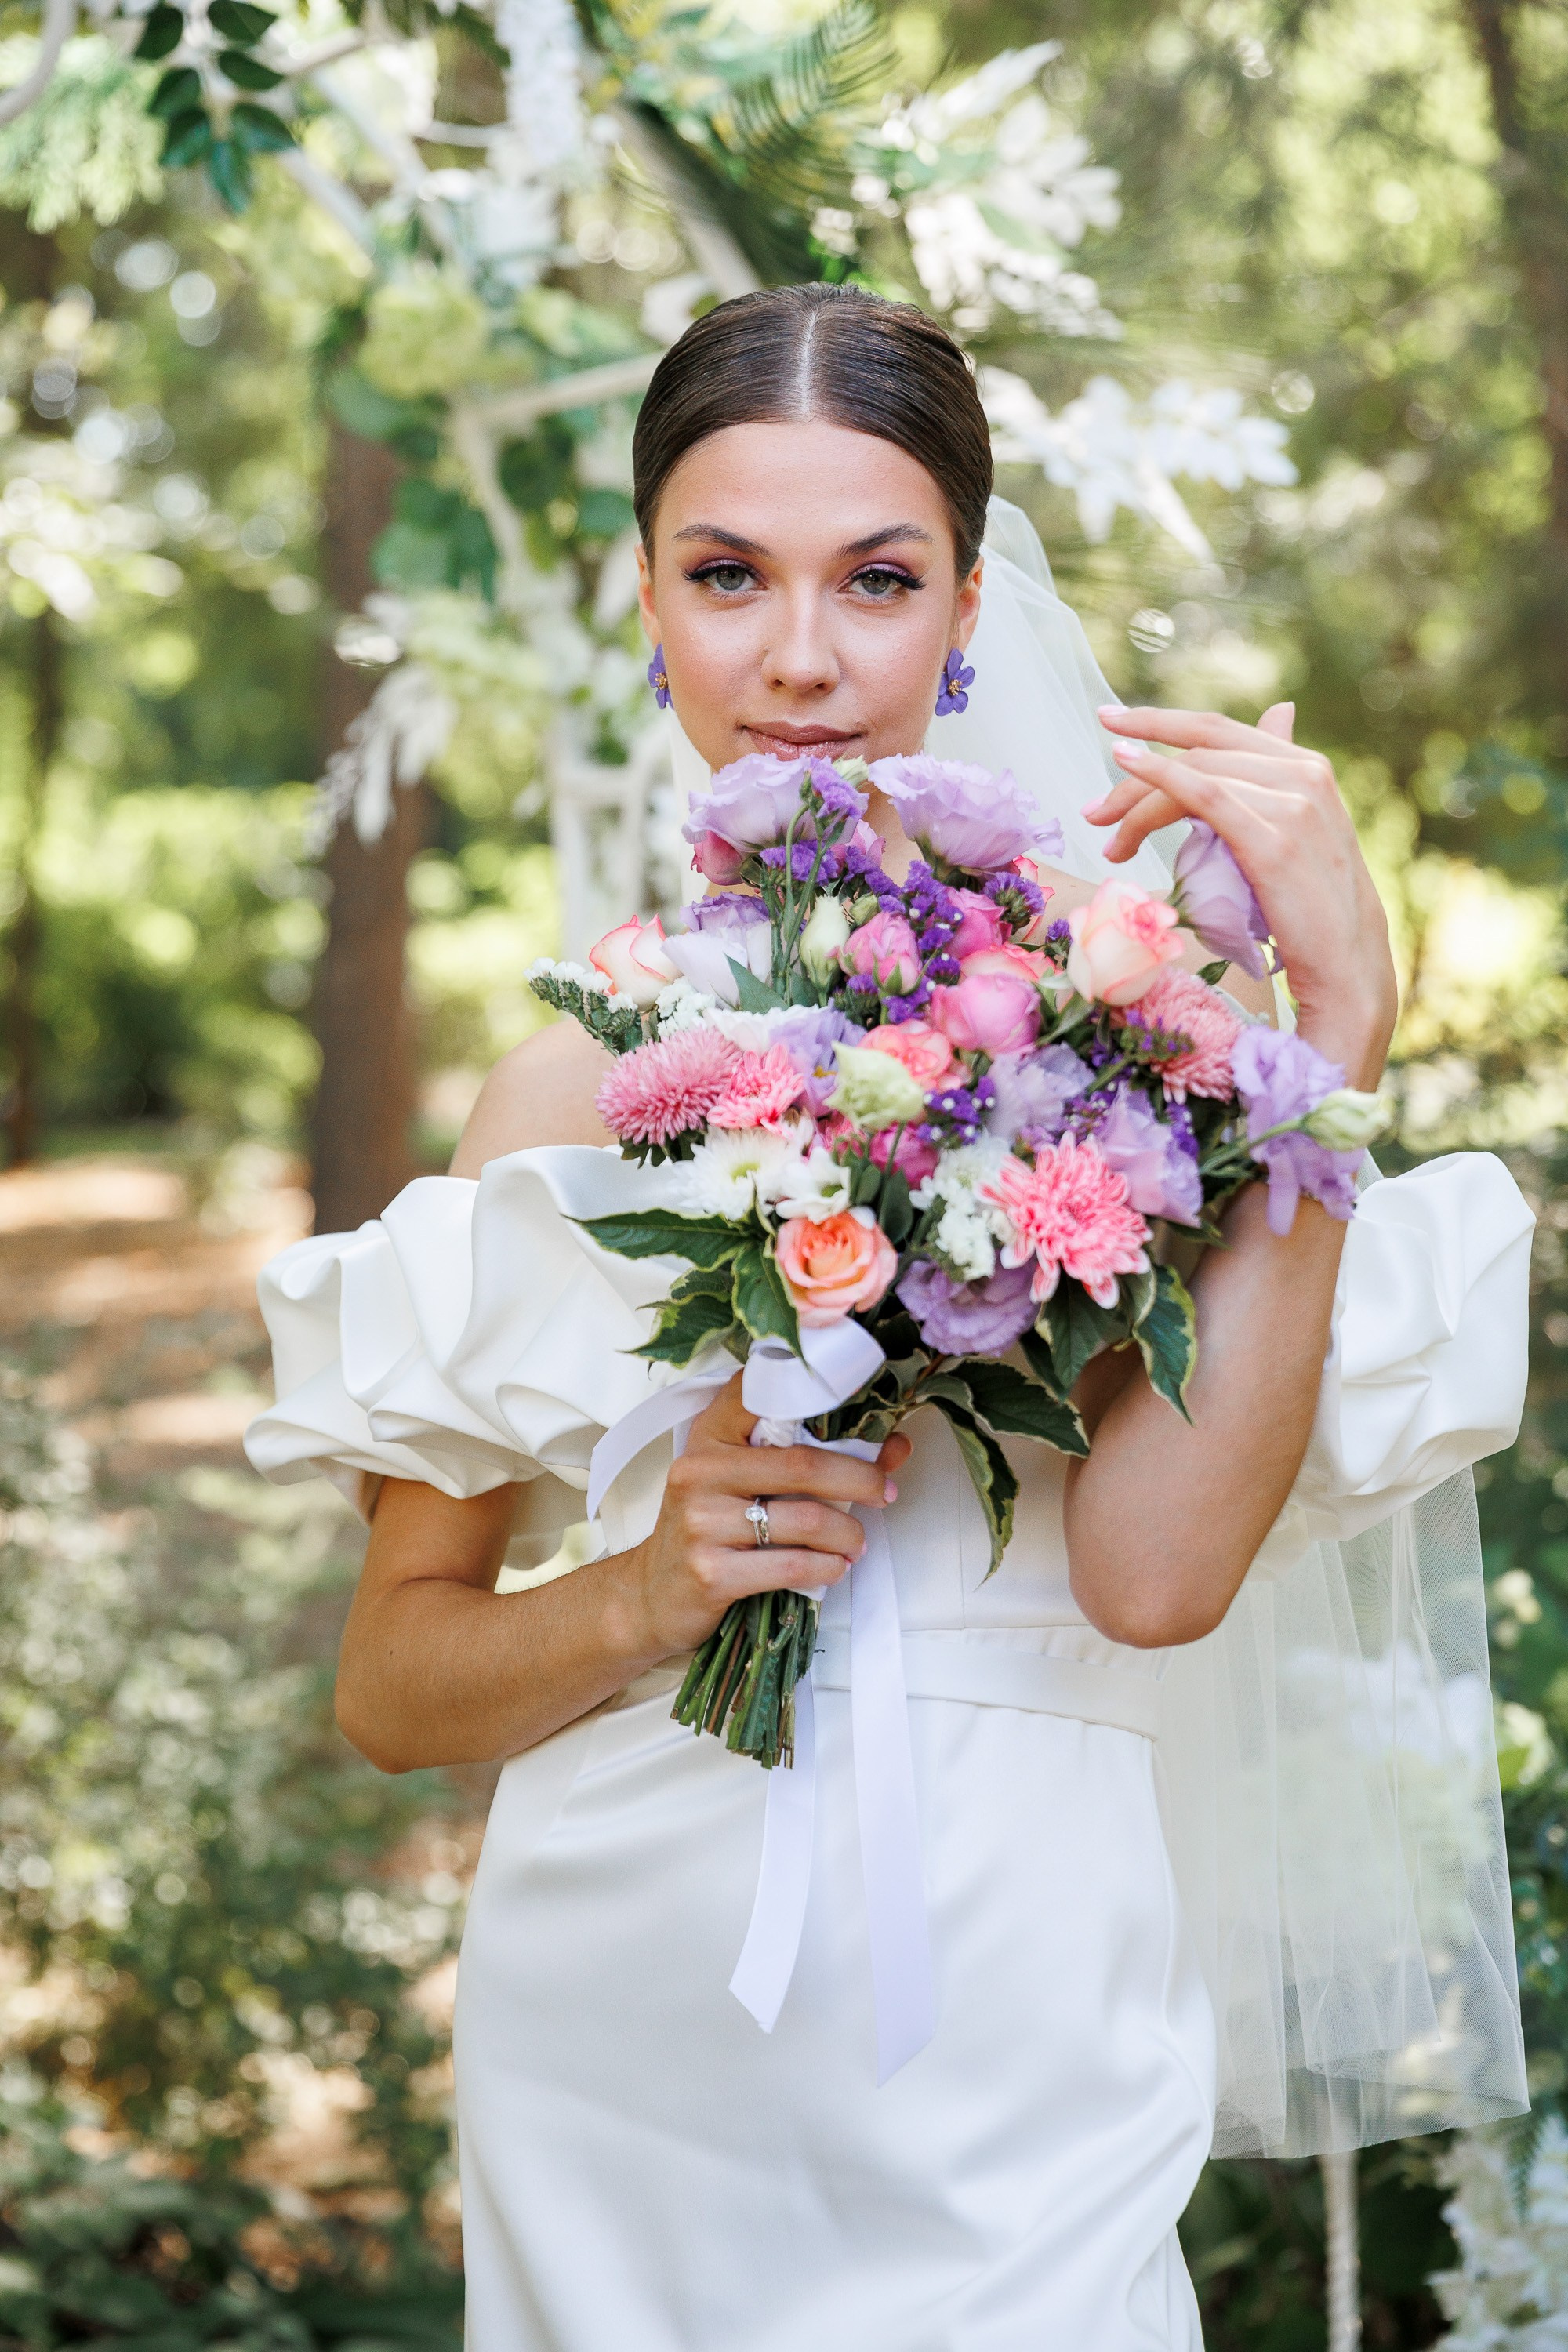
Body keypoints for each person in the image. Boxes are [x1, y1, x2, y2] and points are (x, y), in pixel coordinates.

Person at [248, 285, 1533, 2350]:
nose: (800, 655)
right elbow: (397, 1687)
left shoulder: (1147, 1031)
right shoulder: (569, 1089)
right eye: (725, 574)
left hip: (1023, 2015)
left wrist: (1338, 1031)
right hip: (628, 2024)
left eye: (876, 576)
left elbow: (1155, 1580)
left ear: (967, 608)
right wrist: (650, 1591)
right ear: (647, 599)